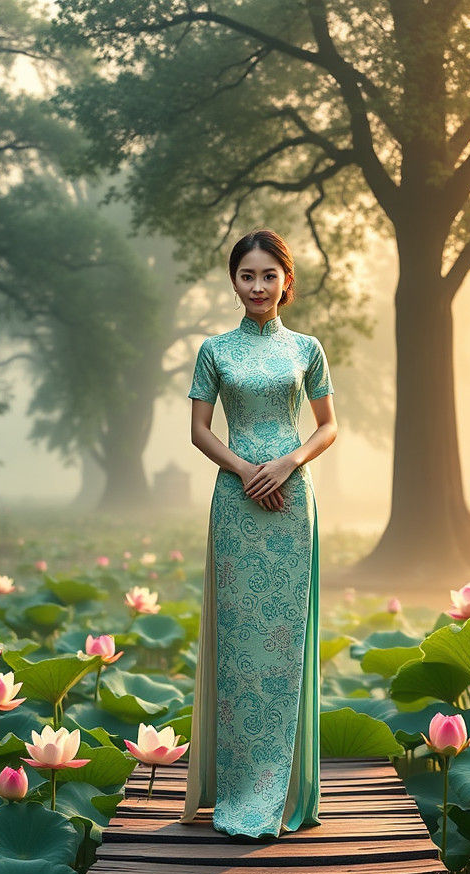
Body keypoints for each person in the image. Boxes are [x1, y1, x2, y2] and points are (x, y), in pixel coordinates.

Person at [179, 228, 337, 839]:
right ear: (234, 281)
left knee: (285, 642)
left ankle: (286, 789)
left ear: (286, 281)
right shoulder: (214, 350)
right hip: (236, 503)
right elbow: (199, 430)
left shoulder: (308, 349)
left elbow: (327, 426)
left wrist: (288, 464)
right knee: (239, 645)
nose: (258, 286)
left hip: (291, 504)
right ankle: (237, 788)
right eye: (247, 275)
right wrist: (247, 471)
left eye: (269, 275)